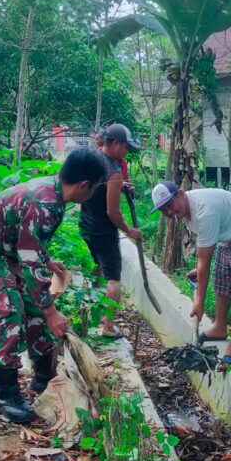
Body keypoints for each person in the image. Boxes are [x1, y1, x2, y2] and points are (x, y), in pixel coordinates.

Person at [0, 148, 108, 424]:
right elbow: (29, 261)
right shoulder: (46, 202)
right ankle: (5, 394)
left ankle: (43, 378)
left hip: (6, 250)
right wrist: (52, 312)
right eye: (96, 187)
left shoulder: (55, 192)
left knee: (35, 307)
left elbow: (29, 240)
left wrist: (47, 262)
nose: (94, 193)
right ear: (84, 185)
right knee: (11, 308)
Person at [150, 180, 231, 365]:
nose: (169, 212)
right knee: (221, 281)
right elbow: (204, 257)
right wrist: (200, 269)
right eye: (164, 210)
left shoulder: (204, 211)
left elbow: (204, 261)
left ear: (180, 193)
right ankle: (220, 328)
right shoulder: (186, 211)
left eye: (170, 205)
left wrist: (199, 302)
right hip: (229, 234)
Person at [79, 123, 142, 338]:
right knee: (114, 279)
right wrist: (129, 231)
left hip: (86, 225)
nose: (126, 152)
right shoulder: (113, 171)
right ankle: (107, 326)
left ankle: (93, 313)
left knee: (96, 269)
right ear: (115, 143)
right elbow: (113, 212)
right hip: (104, 232)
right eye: (125, 147)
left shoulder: (91, 159)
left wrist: (121, 186)